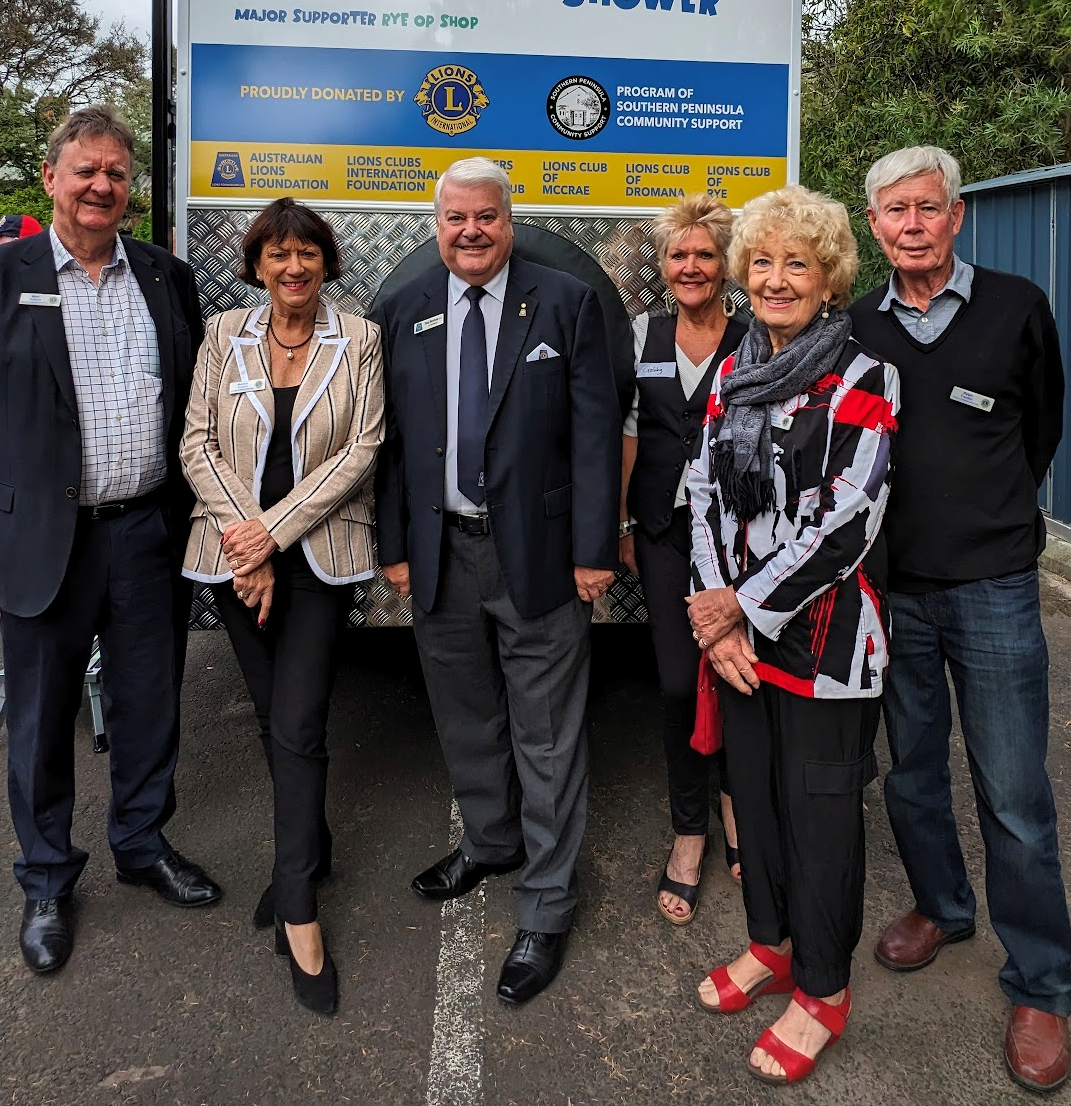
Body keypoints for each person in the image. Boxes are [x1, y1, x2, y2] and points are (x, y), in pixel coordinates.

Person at [0, 104, 221, 976]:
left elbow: (193, 404)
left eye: (117, 173)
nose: (102, 186)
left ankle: (141, 844)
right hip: (40, 542)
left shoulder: (166, 277)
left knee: (149, 703)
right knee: (41, 716)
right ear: (52, 177)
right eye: (85, 170)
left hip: (146, 531)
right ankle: (48, 878)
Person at [849, 145, 1071, 1093]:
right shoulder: (856, 325)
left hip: (992, 586)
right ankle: (941, 907)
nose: (911, 224)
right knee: (910, 772)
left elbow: (1042, 431)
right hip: (893, 588)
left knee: (1014, 793)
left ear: (957, 215)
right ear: (873, 227)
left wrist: (996, 517)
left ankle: (1041, 983)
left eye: (926, 208)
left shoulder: (1017, 308)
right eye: (894, 210)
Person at [375, 157, 621, 1005]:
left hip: (541, 557)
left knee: (546, 732)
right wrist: (396, 546)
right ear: (435, 224)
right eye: (456, 219)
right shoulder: (401, 312)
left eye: (486, 217)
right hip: (440, 552)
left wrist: (596, 550)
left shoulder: (565, 302)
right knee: (466, 714)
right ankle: (490, 839)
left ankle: (548, 903)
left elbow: (594, 438)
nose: (471, 232)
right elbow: (392, 444)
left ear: (509, 221)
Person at [688, 187, 899, 1086]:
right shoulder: (735, 368)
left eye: (796, 264)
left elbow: (847, 520)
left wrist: (740, 606)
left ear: (829, 278)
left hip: (822, 641)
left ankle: (822, 989)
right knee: (757, 803)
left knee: (819, 821)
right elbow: (697, 488)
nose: (776, 280)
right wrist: (709, 607)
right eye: (762, 263)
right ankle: (769, 946)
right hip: (734, 636)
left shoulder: (863, 376)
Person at [181, 199, 383, 1015]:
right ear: (256, 264)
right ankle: (315, 850)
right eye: (277, 255)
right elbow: (195, 440)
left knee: (297, 725)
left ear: (326, 263)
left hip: (318, 560)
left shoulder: (360, 338)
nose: (292, 268)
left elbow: (363, 448)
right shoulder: (224, 334)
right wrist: (245, 538)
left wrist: (271, 535)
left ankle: (298, 905)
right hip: (235, 559)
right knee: (274, 723)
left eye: (306, 254)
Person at [617, 194, 749, 924]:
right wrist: (624, 522)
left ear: (725, 263)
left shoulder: (759, 334)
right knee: (676, 684)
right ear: (663, 267)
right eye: (678, 255)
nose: (691, 267)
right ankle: (688, 830)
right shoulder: (643, 334)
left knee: (738, 678)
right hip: (666, 532)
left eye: (704, 254)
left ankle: (738, 812)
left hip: (742, 542)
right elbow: (629, 435)